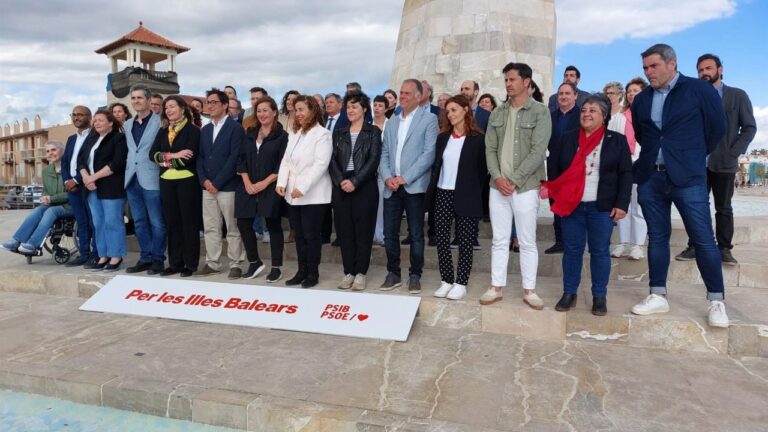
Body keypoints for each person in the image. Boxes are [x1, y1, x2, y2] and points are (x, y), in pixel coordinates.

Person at [629, 44, 729, 328]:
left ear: (672, 63)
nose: (649, 72)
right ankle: (657, 295)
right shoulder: (642, 99)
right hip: (651, 177)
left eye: (654, 66)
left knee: (703, 239)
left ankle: (716, 300)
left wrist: (690, 155)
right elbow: (643, 135)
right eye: (645, 68)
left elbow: (717, 128)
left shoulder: (699, 90)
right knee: (657, 238)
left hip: (688, 178)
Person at [544, 94, 632, 315]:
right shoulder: (568, 138)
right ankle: (569, 293)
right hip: (572, 206)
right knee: (572, 250)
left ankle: (599, 296)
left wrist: (621, 204)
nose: (586, 114)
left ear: (604, 115)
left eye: (592, 110)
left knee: (600, 251)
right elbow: (554, 167)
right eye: (584, 110)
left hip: (601, 207)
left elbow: (625, 174)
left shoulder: (616, 140)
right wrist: (557, 198)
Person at [675, 53, 757, 265]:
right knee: (695, 207)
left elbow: (749, 128)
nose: (704, 73)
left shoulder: (737, 96)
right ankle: (695, 246)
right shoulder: (692, 98)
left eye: (708, 68)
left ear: (720, 70)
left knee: (724, 208)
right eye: (700, 70)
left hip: (724, 163)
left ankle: (724, 249)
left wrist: (733, 152)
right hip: (696, 163)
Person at [481, 62, 551, 309]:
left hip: (526, 186)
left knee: (527, 240)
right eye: (506, 80)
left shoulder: (540, 112)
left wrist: (514, 180)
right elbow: (489, 149)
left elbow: (538, 151)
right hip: (497, 186)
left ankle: (529, 290)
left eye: (512, 79)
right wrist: (498, 177)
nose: (508, 84)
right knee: (499, 239)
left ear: (526, 81)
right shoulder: (497, 113)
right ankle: (496, 287)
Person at [379, 79, 438, 294]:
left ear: (418, 96)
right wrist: (388, 177)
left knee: (415, 234)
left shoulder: (429, 119)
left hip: (414, 186)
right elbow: (384, 153)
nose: (402, 96)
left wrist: (405, 178)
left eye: (406, 93)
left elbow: (428, 154)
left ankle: (415, 275)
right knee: (389, 233)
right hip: (391, 186)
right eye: (401, 92)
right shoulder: (392, 122)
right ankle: (393, 273)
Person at [427, 95, 486, 300]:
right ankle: (446, 280)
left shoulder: (478, 139)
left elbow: (482, 170)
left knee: (465, 241)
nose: (450, 114)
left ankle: (461, 283)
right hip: (443, 192)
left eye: (454, 110)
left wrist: (473, 189)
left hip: (467, 194)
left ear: (466, 110)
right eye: (448, 111)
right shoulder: (443, 137)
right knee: (442, 239)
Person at [276, 95, 332, 288]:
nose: (298, 113)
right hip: (293, 194)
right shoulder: (295, 133)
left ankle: (312, 273)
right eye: (296, 110)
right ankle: (301, 271)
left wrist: (303, 187)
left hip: (313, 194)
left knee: (311, 235)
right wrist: (281, 182)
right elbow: (286, 161)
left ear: (312, 111)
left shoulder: (323, 134)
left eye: (302, 110)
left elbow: (320, 164)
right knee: (299, 235)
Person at [329, 92, 382, 291]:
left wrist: (356, 181)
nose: (350, 110)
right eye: (348, 107)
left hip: (364, 186)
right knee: (345, 231)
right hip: (341, 186)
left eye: (355, 107)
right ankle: (348, 272)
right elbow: (332, 160)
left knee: (363, 231)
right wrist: (340, 180)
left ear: (364, 109)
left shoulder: (373, 132)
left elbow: (373, 159)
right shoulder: (339, 132)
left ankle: (360, 273)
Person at [236, 96, 289, 283]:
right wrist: (247, 181)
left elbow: (283, 164)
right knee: (243, 223)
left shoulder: (282, 136)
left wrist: (264, 183)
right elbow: (241, 159)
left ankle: (276, 267)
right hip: (248, 185)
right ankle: (254, 262)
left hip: (271, 185)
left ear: (274, 112)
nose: (262, 114)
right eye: (259, 111)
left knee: (273, 225)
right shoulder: (250, 133)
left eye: (266, 110)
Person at [195, 88, 246, 279]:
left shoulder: (235, 128)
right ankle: (212, 263)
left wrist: (217, 182)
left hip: (228, 187)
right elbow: (200, 157)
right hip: (207, 187)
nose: (210, 106)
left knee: (232, 228)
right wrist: (204, 181)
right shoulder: (206, 130)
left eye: (214, 102)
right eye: (208, 102)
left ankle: (236, 263)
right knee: (211, 227)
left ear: (225, 105)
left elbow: (234, 158)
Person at [150, 95, 201, 277]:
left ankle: (190, 263)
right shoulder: (163, 131)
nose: (168, 110)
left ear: (182, 108)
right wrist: (173, 155)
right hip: (166, 182)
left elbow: (188, 159)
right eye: (166, 108)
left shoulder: (193, 131)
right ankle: (175, 263)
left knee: (189, 223)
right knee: (172, 223)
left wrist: (164, 159)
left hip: (187, 181)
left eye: (172, 106)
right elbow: (152, 155)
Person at [123, 84, 167, 275]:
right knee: (139, 222)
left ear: (149, 100)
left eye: (139, 97)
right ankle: (145, 257)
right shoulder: (127, 124)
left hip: (151, 177)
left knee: (157, 221)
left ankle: (158, 259)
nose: (136, 101)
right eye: (133, 98)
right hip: (132, 179)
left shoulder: (160, 122)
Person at [78, 109, 128, 272]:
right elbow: (81, 161)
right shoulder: (91, 139)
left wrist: (93, 177)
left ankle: (116, 256)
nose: (96, 123)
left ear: (111, 122)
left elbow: (117, 163)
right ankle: (103, 255)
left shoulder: (118, 138)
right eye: (95, 120)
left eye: (100, 120)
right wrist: (86, 178)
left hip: (111, 187)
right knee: (98, 223)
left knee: (112, 222)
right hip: (91, 188)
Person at [1, 141, 74, 254]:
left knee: (51, 211)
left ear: (63, 151)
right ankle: (16, 241)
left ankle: (33, 245)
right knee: (38, 210)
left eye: (53, 150)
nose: (50, 153)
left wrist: (51, 199)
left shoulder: (71, 169)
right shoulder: (46, 171)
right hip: (53, 205)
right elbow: (46, 190)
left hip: (70, 206)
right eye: (48, 151)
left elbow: (72, 193)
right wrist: (44, 197)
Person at [610, 78, 648, 260]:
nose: (632, 94)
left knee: (638, 206)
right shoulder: (619, 117)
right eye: (630, 91)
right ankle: (623, 242)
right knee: (622, 204)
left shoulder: (649, 115)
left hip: (641, 163)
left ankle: (638, 245)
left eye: (636, 91)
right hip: (623, 165)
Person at [544, 82, 581, 255]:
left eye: (567, 93)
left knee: (574, 205)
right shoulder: (549, 116)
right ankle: (560, 241)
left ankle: (574, 241)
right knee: (556, 203)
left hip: (574, 167)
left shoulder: (582, 115)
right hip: (553, 167)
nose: (563, 97)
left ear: (575, 96)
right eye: (561, 94)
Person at [61, 105, 97, 267]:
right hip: (72, 188)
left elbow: (90, 162)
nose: (76, 117)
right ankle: (84, 254)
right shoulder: (71, 139)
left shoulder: (95, 136)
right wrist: (67, 181)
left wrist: (76, 180)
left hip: (88, 185)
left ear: (89, 117)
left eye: (80, 115)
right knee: (81, 222)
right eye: (74, 115)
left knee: (93, 222)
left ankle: (96, 255)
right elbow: (64, 162)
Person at [372, 95, 389, 246]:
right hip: (370, 170)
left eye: (380, 106)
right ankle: (373, 234)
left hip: (385, 170)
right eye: (375, 105)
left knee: (383, 204)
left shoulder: (391, 125)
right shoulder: (367, 125)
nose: (377, 108)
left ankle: (382, 234)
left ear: (386, 108)